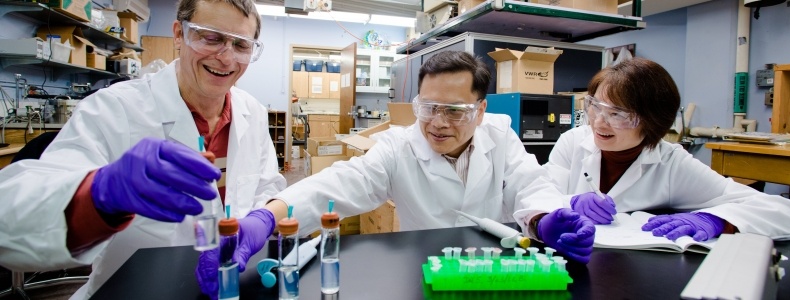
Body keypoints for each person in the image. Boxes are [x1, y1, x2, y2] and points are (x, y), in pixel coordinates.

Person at [0, 0, 287, 298]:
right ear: (179, 34)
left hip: (229, 285)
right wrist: (98, 195)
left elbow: (266, 186)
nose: (226, 58)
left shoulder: (252, 111)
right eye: (211, 37)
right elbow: (8, 219)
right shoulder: (112, 109)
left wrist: (261, 218)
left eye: (241, 45)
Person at [251, 50, 595, 265]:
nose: (438, 123)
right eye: (428, 108)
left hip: (493, 269)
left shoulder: (500, 135)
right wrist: (269, 215)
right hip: (425, 270)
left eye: (455, 111)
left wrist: (544, 218)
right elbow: (338, 184)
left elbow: (529, 184)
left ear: (480, 111)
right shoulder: (397, 147)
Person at [515, 57, 790, 249]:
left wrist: (715, 220)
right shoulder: (573, 142)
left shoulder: (672, 163)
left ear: (654, 120)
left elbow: (788, 213)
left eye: (618, 114)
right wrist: (569, 202)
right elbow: (538, 194)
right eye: (595, 106)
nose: (600, 122)